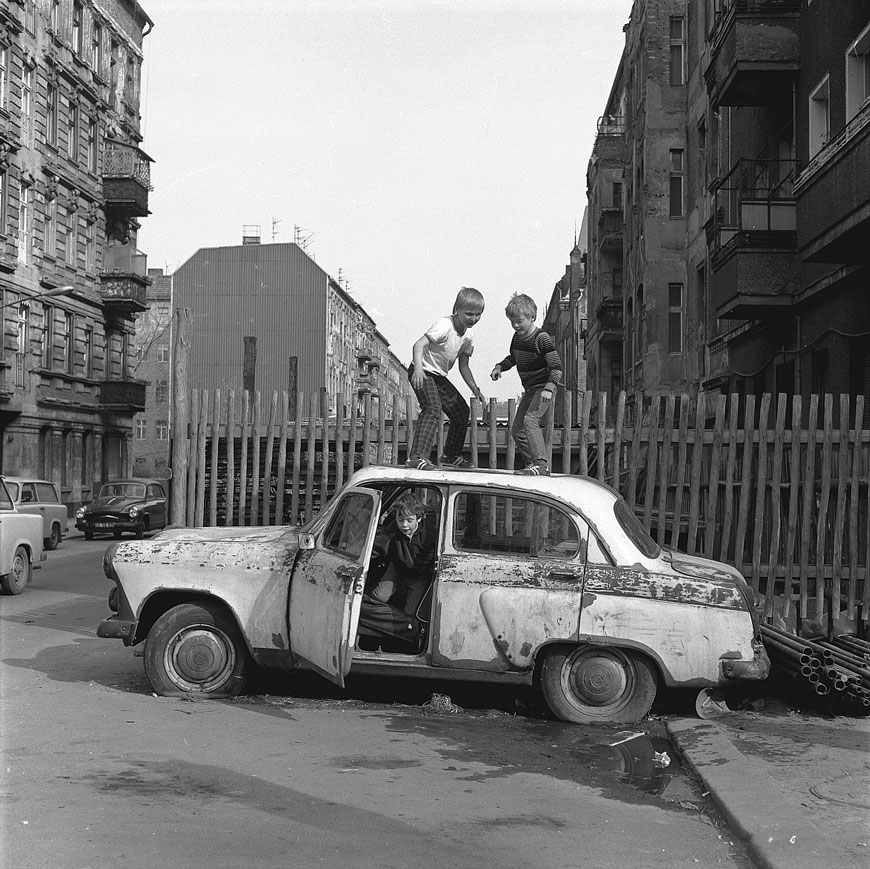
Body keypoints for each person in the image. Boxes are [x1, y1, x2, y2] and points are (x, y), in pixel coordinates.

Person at [405, 287, 486, 471]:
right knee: (433, 408)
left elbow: (464, 366)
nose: (473, 319)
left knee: (461, 412)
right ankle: (416, 457)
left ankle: (450, 455)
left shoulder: (469, 336)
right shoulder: (444, 326)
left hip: (438, 376)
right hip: (422, 370)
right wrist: (418, 369)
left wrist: (475, 389)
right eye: (469, 314)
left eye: (478, 315)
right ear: (456, 309)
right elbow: (418, 345)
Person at [490, 293, 563, 476]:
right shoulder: (517, 338)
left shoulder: (541, 338)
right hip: (530, 390)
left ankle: (541, 464)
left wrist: (549, 388)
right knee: (517, 430)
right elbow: (513, 358)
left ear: (532, 317)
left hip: (544, 389)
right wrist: (500, 367)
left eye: (519, 321)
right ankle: (532, 463)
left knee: (530, 420)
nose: (515, 325)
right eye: (512, 321)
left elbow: (556, 367)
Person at [358, 493, 436, 650]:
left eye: (409, 520)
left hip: (418, 575)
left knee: (411, 615)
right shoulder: (393, 529)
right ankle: (379, 623)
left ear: (419, 519)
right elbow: (376, 548)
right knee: (379, 596)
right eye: (400, 520)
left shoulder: (430, 533)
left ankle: (400, 632)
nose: (404, 525)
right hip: (398, 568)